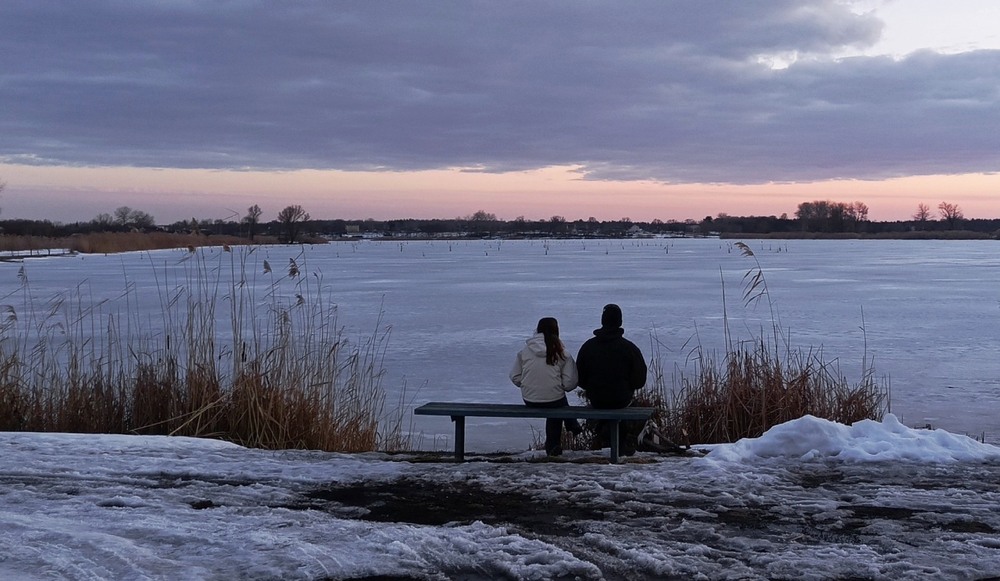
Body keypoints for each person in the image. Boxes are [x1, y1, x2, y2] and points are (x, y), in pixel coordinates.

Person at [576, 303, 648, 454]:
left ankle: (604, 430)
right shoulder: (629, 348)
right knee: (623, 405)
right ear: (620, 322)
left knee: (609, 404)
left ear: (602, 321)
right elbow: (640, 380)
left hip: (596, 399)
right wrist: (627, 387)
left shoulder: (588, 347)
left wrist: (592, 387)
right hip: (621, 399)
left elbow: (580, 378)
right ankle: (620, 443)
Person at [509, 317, 582, 456]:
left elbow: (515, 376)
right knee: (558, 403)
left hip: (529, 399)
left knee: (557, 401)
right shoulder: (562, 353)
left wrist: (526, 384)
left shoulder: (525, 351)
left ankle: (569, 426)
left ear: (537, 330)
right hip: (554, 401)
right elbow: (569, 383)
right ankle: (555, 443)